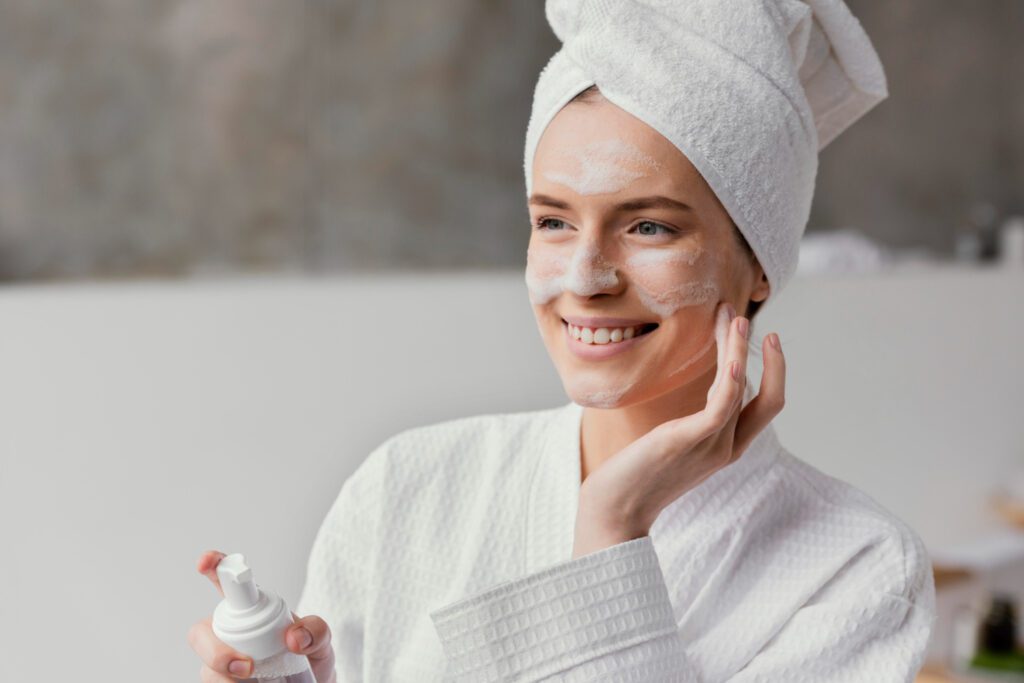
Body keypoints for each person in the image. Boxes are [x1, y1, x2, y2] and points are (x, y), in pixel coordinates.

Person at [188, 1, 936, 680]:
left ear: (760, 264)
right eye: (553, 220)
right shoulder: (407, 486)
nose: (584, 275)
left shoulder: (856, 569)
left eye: (649, 225)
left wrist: (613, 526)